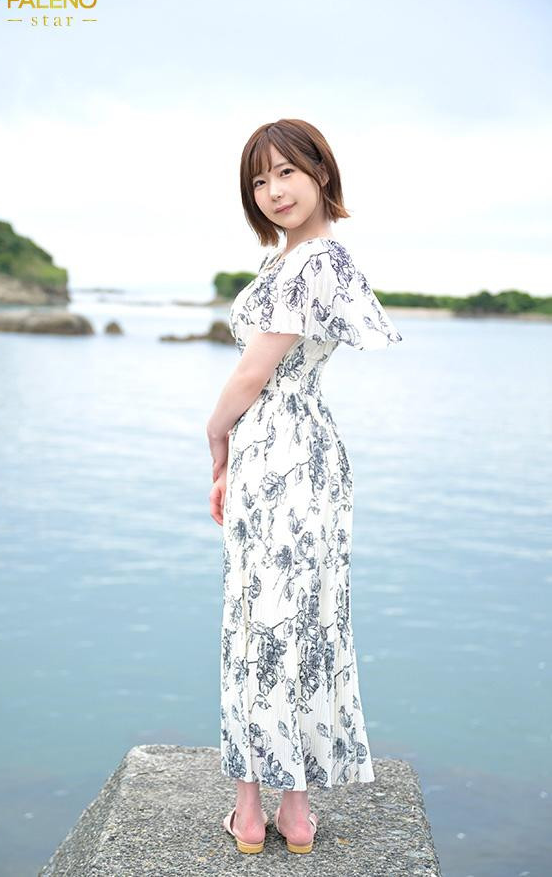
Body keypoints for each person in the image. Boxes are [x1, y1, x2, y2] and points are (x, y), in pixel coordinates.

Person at [206, 118, 403, 855]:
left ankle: (252, 810)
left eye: (286, 171)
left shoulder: (311, 262)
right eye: (259, 180)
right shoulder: (303, 260)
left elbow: (253, 373)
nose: (273, 190)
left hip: (275, 448)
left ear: (321, 170)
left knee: (259, 619)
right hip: (305, 449)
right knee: (304, 618)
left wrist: (215, 436)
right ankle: (291, 813)